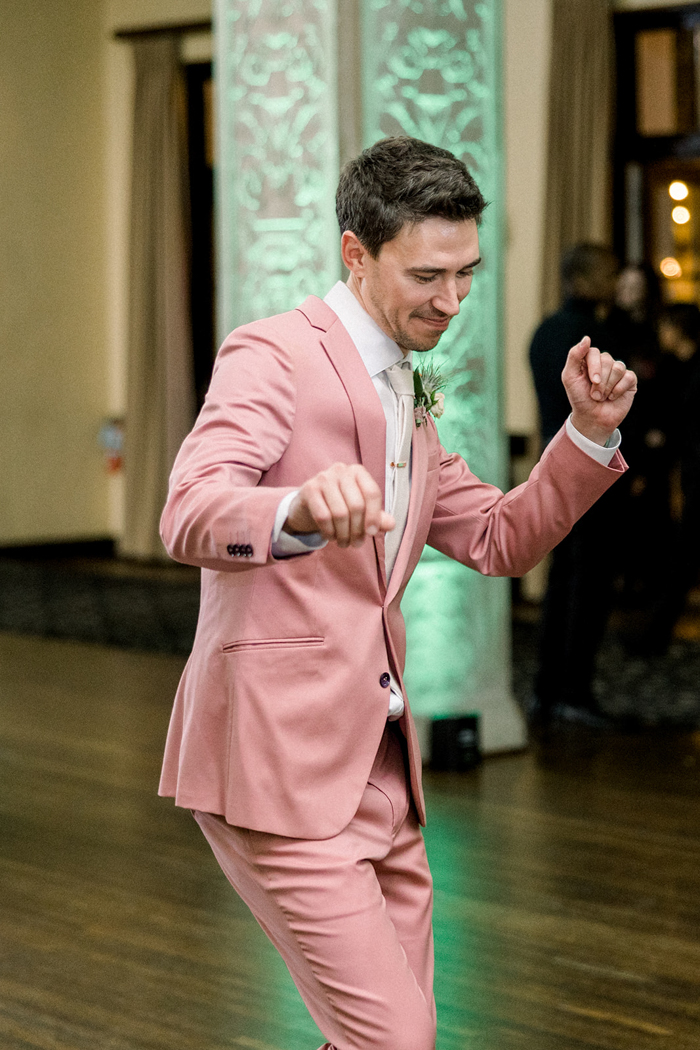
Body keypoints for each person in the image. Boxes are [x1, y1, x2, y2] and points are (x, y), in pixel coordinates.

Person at [158, 138, 635, 1050]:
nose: (452, 302)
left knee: (390, 1036)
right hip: (277, 767)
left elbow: (500, 539)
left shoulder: (406, 388)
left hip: (383, 775)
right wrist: (292, 505)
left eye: (467, 274)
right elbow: (187, 511)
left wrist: (587, 432)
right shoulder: (272, 354)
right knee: (395, 1042)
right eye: (428, 275)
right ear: (356, 253)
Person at [529, 243, 630, 728]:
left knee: (563, 582)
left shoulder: (545, 330)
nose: (616, 282)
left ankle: (548, 690)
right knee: (586, 587)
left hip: (553, 467)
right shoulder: (590, 338)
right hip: (589, 472)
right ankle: (572, 692)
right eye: (610, 273)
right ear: (584, 280)